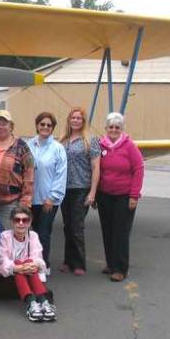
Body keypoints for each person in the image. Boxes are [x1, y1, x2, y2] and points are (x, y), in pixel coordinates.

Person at [97, 112, 144, 282]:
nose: (114, 129)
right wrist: (94, 194)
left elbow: (139, 169)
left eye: (117, 127)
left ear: (122, 129)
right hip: (104, 195)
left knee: (121, 233)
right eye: (111, 127)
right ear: (106, 128)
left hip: (124, 196)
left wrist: (134, 195)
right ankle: (111, 264)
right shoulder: (100, 145)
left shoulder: (129, 146)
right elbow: (96, 170)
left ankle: (121, 268)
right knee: (107, 230)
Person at [0, 206, 58, 322]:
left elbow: (38, 258)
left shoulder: (33, 236)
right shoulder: (4, 236)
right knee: (19, 263)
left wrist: (30, 265)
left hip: (29, 276)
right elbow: (1, 262)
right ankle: (33, 303)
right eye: (17, 220)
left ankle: (42, 304)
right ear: (11, 222)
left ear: (30, 222)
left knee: (29, 261)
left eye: (25, 220)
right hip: (8, 280)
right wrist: (17, 267)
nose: (21, 223)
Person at [58, 107, 101, 276]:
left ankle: (79, 263)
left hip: (81, 187)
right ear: (69, 120)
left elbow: (96, 167)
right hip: (64, 189)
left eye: (79, 118)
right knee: (67, 226)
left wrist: (92, 192)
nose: (75, 120)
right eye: (73, 118)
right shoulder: (63, 140)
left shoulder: (90, 141)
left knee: (77, 226)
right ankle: (68, 260)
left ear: (83, 121)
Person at [0, 110, 34, 230]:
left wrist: (25, 202)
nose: (0, 127)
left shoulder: (21, 146)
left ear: (11, 126)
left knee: (8, 238)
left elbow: (29, 175)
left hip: (10, 203)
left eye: (4, 123)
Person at [27, 112, 67, 271]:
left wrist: (52, 197)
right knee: (31, 234)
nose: (45, 127)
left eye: (48, 125)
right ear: (37, 125)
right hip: (30, 198)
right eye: (42, 124)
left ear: (53, 128)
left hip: (48, 200)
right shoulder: (28, 145)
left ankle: (44, 266)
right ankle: (31, 263)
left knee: (43, 234)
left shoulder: (58, 148)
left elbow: (61, 175)